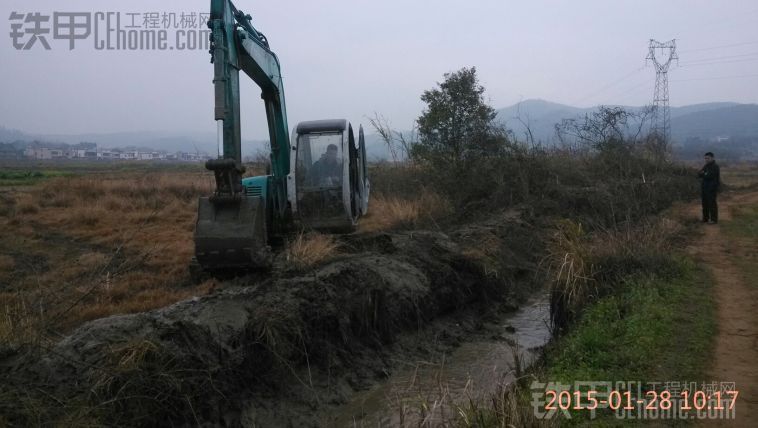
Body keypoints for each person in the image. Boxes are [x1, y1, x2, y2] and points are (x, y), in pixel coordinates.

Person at [698, 152, 720, 224]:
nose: (706, 160)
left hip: (712, 188)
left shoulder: (715, 166)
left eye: (708, 158)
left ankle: (714, 220)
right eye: (705, 158)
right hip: (704, 188)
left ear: (712, 158)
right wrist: (704, 173)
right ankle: (705, 219)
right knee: (705, 204)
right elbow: (699, 174)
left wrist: (704, 173)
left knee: (712, 204)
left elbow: (709, 176)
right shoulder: (706, 166)